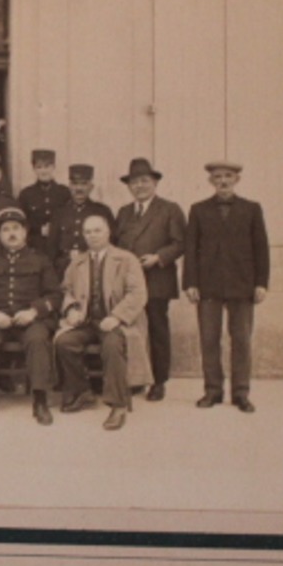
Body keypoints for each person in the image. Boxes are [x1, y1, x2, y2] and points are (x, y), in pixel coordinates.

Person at [183, 161, 270, 413]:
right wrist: (190, 282)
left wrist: (261, 283)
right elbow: (190, 249)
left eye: (228, 176)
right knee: (209, 339)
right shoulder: (198, 210)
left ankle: (241, 393)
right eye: (217, 176)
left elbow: (261, 248)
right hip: (208, 286)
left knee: (241, 340)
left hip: (242, 285)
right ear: (210, 181)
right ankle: (212, 391)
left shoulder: (252, 209)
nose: (223, 181)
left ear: (237, 179)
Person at [53, 214, 149, 430]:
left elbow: (138, 294)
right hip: (86, 321)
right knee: (64, 342)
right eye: (87, 232)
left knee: (112, 345)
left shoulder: (126, 259)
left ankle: (118, 405)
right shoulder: (77, 262)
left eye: (97, 230)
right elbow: (65, 290)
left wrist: (116, 316)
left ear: (108, 232)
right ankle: (82, 391)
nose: (92, 236)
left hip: (116, 321)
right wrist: (71, 309)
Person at [0, 207, 61, 425]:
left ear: (25, 232)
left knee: (38, 339)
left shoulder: (40, 259)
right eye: (5, 229)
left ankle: (39, 400)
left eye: (16, 229)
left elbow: (55, 294)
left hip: (30, 319)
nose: (11, 233)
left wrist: (34, 311)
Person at [113, 157, 187, 402]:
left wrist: (158, 257)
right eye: (134, 182)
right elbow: (115, 245)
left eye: (145, 181)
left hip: (157, 279)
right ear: (129, 186)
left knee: (157, 330)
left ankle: (159, 381)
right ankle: (136, 378)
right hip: (130, 284)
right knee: (131, 330)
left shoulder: (170, 209)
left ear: (155, 183)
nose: (140, 186)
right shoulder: (124, 212)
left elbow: (181, 243)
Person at [49, 164, 115, 276]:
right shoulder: (59, 212)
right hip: (63, 269)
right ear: (69, 186)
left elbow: (112, 242)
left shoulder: (102, 211)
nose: (79, 188)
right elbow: (51, 247)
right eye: (75, 184)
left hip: (93, 268)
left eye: (84, 184)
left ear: (91, 186)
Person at [18, 148, 72, 260]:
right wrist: (38, 229)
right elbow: (21, 221)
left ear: (53, 167)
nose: (43, 171)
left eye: (47, 166)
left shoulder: (65, 192)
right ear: (34, 169)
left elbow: (70, 217)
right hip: (35, 248)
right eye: (39, 167)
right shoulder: (26, 194)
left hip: (60, 247)